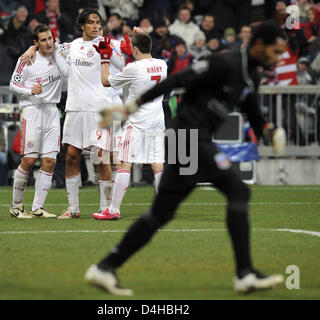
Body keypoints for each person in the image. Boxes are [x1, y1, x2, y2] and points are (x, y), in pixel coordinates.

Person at [85, 22, 287, 295]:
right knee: (238, 190)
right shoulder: (225, 62)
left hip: (190, 139)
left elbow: (250, 106)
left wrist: (266, 129)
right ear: (259, 45)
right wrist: (132, 106)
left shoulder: (251, 75)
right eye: (275, 52)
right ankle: (245, 274)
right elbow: (177, 80)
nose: (278, 59)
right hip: (189, 137)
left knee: (161, 214)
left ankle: (104, 268)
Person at [21, 9, 127, 219]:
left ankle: (105, 207)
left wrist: (109, 52)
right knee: (71, 156)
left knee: (100, 158)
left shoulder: (109, 43)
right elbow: (49, 46)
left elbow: (122, 64)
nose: (96, 26)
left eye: (98, 22)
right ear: (82, 26)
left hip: (100, 108)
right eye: (91, 22)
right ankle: (73, 208)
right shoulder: (71, 46)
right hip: (75, 108)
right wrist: (32, 48)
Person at [92, 32, 167, 220]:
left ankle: (113, 210)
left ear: (134, 49)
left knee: (125, 164)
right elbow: (144, 54)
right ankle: (164, 210)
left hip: (137, 122)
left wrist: (105, 59)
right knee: (158, 165)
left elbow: (105, 81)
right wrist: (141, 36)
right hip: (157, 121)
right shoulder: (162, 64)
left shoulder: (134, 68)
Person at [9, 24, 65, 219]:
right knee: (30, 159)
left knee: (50, 160)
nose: (48, 43)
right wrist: (28, 90)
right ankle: (16, 207)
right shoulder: (26, 59)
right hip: (32, 110)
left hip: (52, 110)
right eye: (43, 40)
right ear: (35, 43)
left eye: (50, 38)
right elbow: (13, 84)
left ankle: (37, 208)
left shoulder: (60, 54)